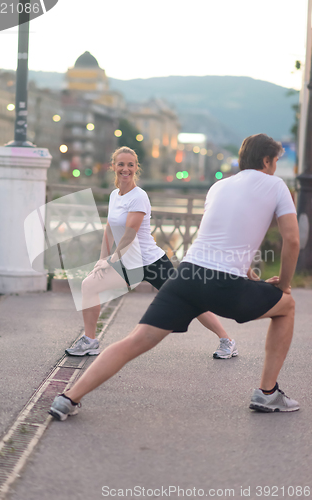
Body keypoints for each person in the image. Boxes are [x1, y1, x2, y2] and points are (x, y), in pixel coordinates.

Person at [50, 134, 300, 420]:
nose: (276, 168)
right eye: (276, 161)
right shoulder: (276, 185)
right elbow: (292, 241)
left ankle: (68, 398)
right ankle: (267, 394)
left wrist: (249, 273)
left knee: (134, 341)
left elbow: (221, 237)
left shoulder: (218, 187)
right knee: (287, 306)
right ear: (267, 160)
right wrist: (284, 283)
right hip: (223, 283)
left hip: (186, 275)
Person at [65, 146, 236, 360]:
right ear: (113, 167)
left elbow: (129, 234)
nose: (125, 169)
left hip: (150, 261)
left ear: (136, 168)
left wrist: (111, 260)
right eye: (121, 164)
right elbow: (109, 228)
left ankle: (226, 340)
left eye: (130, 165)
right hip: (127, 262)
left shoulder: (139, 196)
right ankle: (90, 341)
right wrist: (101, 259)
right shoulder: (114, 196)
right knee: (88, 285)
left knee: (188, 300)